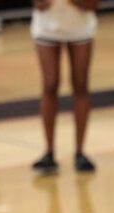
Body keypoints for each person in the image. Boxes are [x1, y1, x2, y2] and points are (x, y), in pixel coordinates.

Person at [29, 0, 97, 173]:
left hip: (80, 28)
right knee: (50, 84)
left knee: (80, 85)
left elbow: (91, 4)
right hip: (47, 28)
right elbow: (39, 4)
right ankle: (49, 153)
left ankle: (80, 152)